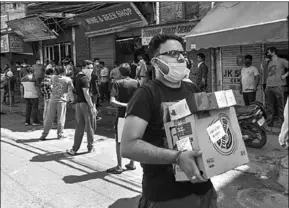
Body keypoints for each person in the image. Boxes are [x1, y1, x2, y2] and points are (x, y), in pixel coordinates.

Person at [120, 34, 217, 208]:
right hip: (166, 196)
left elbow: (204, 127)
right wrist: (178, 157)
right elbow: (128, 147)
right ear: (156, 62)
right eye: (173, 53)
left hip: (204, 188)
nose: (181, 57)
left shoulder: (192, 88)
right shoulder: (146, 94)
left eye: (182, 53)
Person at [106, 63, 139, 174]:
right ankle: (132, 163)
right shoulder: (136, 83)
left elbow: (112, 101)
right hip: (135, 115)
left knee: (119, 141)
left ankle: (119, 166)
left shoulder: (117, 83)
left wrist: (125, 105)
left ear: (119, 72)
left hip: (122, 115)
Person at [66, 60, 97, 155]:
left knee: (79, 127)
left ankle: (74, 149)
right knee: (90, 127)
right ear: (83, 68)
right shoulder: (84, 79)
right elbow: (87, 94)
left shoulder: (77, 77)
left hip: (79, 104)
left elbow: (73, 89)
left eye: (92, 68)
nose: (90, 70)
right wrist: (92, 106)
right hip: (86, 104)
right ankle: (90, 147)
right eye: (88, 68)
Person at [39, 66, 74, 140]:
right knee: (61, 118)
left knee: (49, 118)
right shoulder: (68, 79)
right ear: (64, 71)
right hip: (62, 100)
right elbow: (71, 91)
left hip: (52, 100)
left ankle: (44, 135)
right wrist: (72, 99)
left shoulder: (53, 77)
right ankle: (60, 134)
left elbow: (50, 86)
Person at [264, 47, 289, 128]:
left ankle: (281, 123)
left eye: (268, 52)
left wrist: (285, 75)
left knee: (280, 105)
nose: (267, 53)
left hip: (278, 86)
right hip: (269, 86)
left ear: (273, 52)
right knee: (269, 105)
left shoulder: (282, 61)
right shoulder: (269, 62)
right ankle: (269, 123)